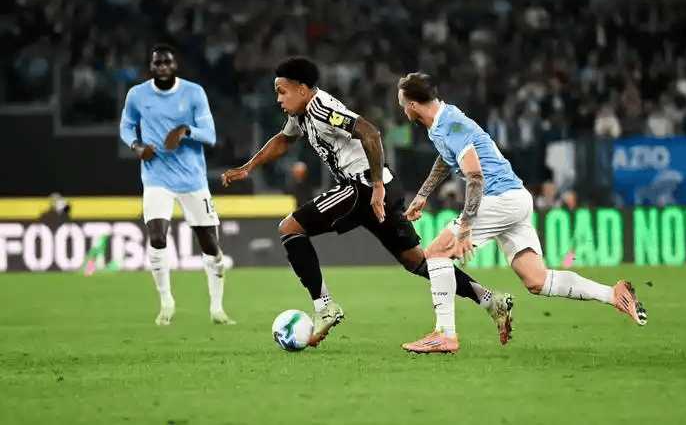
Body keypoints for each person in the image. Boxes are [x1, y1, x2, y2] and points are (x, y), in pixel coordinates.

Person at [221, 57, 511, 347]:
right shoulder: (300, 114)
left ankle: (325, 307)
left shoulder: (322, 109)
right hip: (380, 186)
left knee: (290, 228)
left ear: (302, 89)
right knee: (418, 262)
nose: (279, 99)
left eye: (282, 92)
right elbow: (284, 140)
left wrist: (376, 187)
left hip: (363, 186)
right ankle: (490, 300)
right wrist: (248, 167)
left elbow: (370, 133)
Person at [396, 72, 647, 354]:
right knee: (537, 280)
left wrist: (465, 224)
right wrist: (423, 194)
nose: (403, 111)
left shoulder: (451, 124)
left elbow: (475, 174)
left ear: (413, 104)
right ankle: (613, 294)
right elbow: (446, 157)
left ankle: (445, 334)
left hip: (498, 198)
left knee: (435, 254)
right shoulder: (441, 123)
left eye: (403, 105)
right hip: (516, 198)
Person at [119, 43, 234, 326]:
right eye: (157, 63)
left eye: (166, 62)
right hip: (156, 177)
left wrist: (184, 130)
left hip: (192, 178)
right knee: (157, 237)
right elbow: (125, 126)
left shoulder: (193, 93)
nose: (162, 67)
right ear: (151, 66)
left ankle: (217, 308)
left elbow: (210, 135)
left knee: (209, 244)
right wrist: (136, 146)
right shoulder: (137, 95)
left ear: (174, 65)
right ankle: (166, 302)